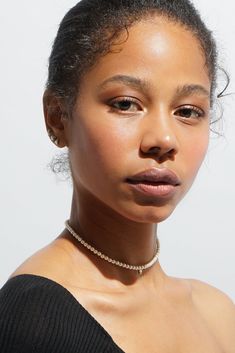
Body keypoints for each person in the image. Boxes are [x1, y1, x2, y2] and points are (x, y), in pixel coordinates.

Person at [0, 0, 234, 352]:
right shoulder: (34, 320)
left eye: (188, 111)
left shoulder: (219, 313)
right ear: (57, 117)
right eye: (126, 103)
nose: (164, 140)